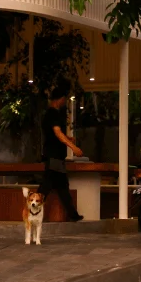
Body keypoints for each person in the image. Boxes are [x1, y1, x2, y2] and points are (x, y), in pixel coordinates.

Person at [38, 83, 85, 222]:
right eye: (64, 98)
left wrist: (68, 138)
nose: (65, 101)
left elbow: (54, 134)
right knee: (47, 185)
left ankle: (73, 215)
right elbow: (57, 133)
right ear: (59, 99)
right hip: (53, 156)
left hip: (55, 156)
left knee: (62, 186)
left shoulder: (50, 114)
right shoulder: (53, 113)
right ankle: (32, 210)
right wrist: (73, 147)